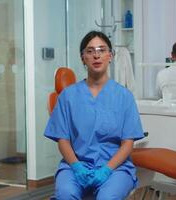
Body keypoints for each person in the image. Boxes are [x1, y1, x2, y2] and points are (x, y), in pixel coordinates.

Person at [44, 30, 144, 199]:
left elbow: (128, 143)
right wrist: (76, 166)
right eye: (90, 51)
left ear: (110, 56)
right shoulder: (68, 96)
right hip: (75, 165)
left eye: (102, 50)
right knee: (66, 195)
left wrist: (107, 169)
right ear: (83, 58)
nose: (96, 56)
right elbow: (62, 139)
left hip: (115, 168)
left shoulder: (124, 96)